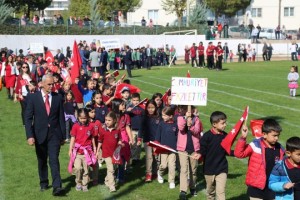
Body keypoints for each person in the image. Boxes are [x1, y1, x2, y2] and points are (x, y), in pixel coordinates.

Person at [24, 74, 66, 196]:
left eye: (53, 84)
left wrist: (63, 135)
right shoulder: (33, 98)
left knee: (54, 160)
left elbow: (61, 118)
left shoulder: (58, 98)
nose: (51, 86)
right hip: (39, 134)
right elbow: (28, 118)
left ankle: (57, 186)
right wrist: (29, 136)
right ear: (41, 84)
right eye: (49, 84)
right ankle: (43, 182)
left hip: (54, 135)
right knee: (42, 160)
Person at [234, 119, 285, 200]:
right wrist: (243, 138)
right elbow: (239, 154)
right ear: (264, 134)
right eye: (274, 135)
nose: (277, 138)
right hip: (256, 187)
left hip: (272, 186)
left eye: (278, 135)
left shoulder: (280, 149)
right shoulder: (255, 145)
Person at [197, 111, 229, 200]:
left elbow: (228, 151)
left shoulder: (225, 136)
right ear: (214, 124)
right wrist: (199, 154)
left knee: (221, 192)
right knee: (210, 192)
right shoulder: (207, 136)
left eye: (225, 122)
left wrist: (239, 153)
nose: (225, 125)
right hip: (209, 169)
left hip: (222, 168)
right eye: (222, 123)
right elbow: (202, 149)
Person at [68, 108, 96, 192]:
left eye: (84, 118)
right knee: (78, 168)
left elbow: (93, 138)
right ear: (78, 117)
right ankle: (78, 182)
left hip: (87, 152)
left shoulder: (91, 126)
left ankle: (85, 184)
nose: (83, 120)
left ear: (87, 117)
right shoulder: (75, 126)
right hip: (77, 153)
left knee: (86, 170)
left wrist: (94, 148)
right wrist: (70, 149)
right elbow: (73, 138)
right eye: (81, 118)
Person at [96, 111, 123, 192]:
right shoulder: (103, 131)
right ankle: (112, 186)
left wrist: (120, 144)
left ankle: (107, 180)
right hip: (106, 154)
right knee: (111, 169)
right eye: (106, 120)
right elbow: (100, 141)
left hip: (115, 154)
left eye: (109, 120)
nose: (107, 122)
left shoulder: (117, 131)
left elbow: (119, 140)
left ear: (114, 120)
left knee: (112, 169)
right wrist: (97, 151)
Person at [138, 100, 161, 182]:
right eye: (149, 108)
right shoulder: (144, 117)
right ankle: (148, 174)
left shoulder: (159, 117)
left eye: (152, 108)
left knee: (156, 157)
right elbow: (141, 128)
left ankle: (155, 173)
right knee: (149, 157)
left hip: (156, 141)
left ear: (156, 108)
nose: (151, 109)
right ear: (146, 108)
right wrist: (139, 138)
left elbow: (160, 129)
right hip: (147, 140)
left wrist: (159, 141)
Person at [156, 106, 178, 189]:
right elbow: (158, 135)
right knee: (164, 165)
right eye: (162, 115)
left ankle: (171, 181)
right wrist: (156, 144)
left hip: (173, 149)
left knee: (172, 166)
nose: (163, 117)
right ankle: (160, 174)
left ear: (171, 116)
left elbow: (177, 136)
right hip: (163, 149)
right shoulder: (161, 124)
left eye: (165, 115)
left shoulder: (175, 125)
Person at [112, 99, 133, 183]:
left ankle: (120, 176)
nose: (124, 106)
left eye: (124, 104)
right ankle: (112, 174)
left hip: (124, 138)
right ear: (116, 106)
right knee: (113, 157)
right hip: (115, 137)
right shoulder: (112, 115)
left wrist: (131, 138)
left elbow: (127, 127)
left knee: (123, 158)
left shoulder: (126, 116)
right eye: (122, 105)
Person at [126, 93, 144, 164]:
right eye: (134, 100)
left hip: (140, 129)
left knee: (139, 145)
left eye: (137, 100)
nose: (136, 102)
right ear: (131, 100)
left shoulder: (141, 108)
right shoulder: (130, 107)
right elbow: (125, 115)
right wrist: (128, 111)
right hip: (132, 129)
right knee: (133, 144)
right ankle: (131, 158)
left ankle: (136, 158)